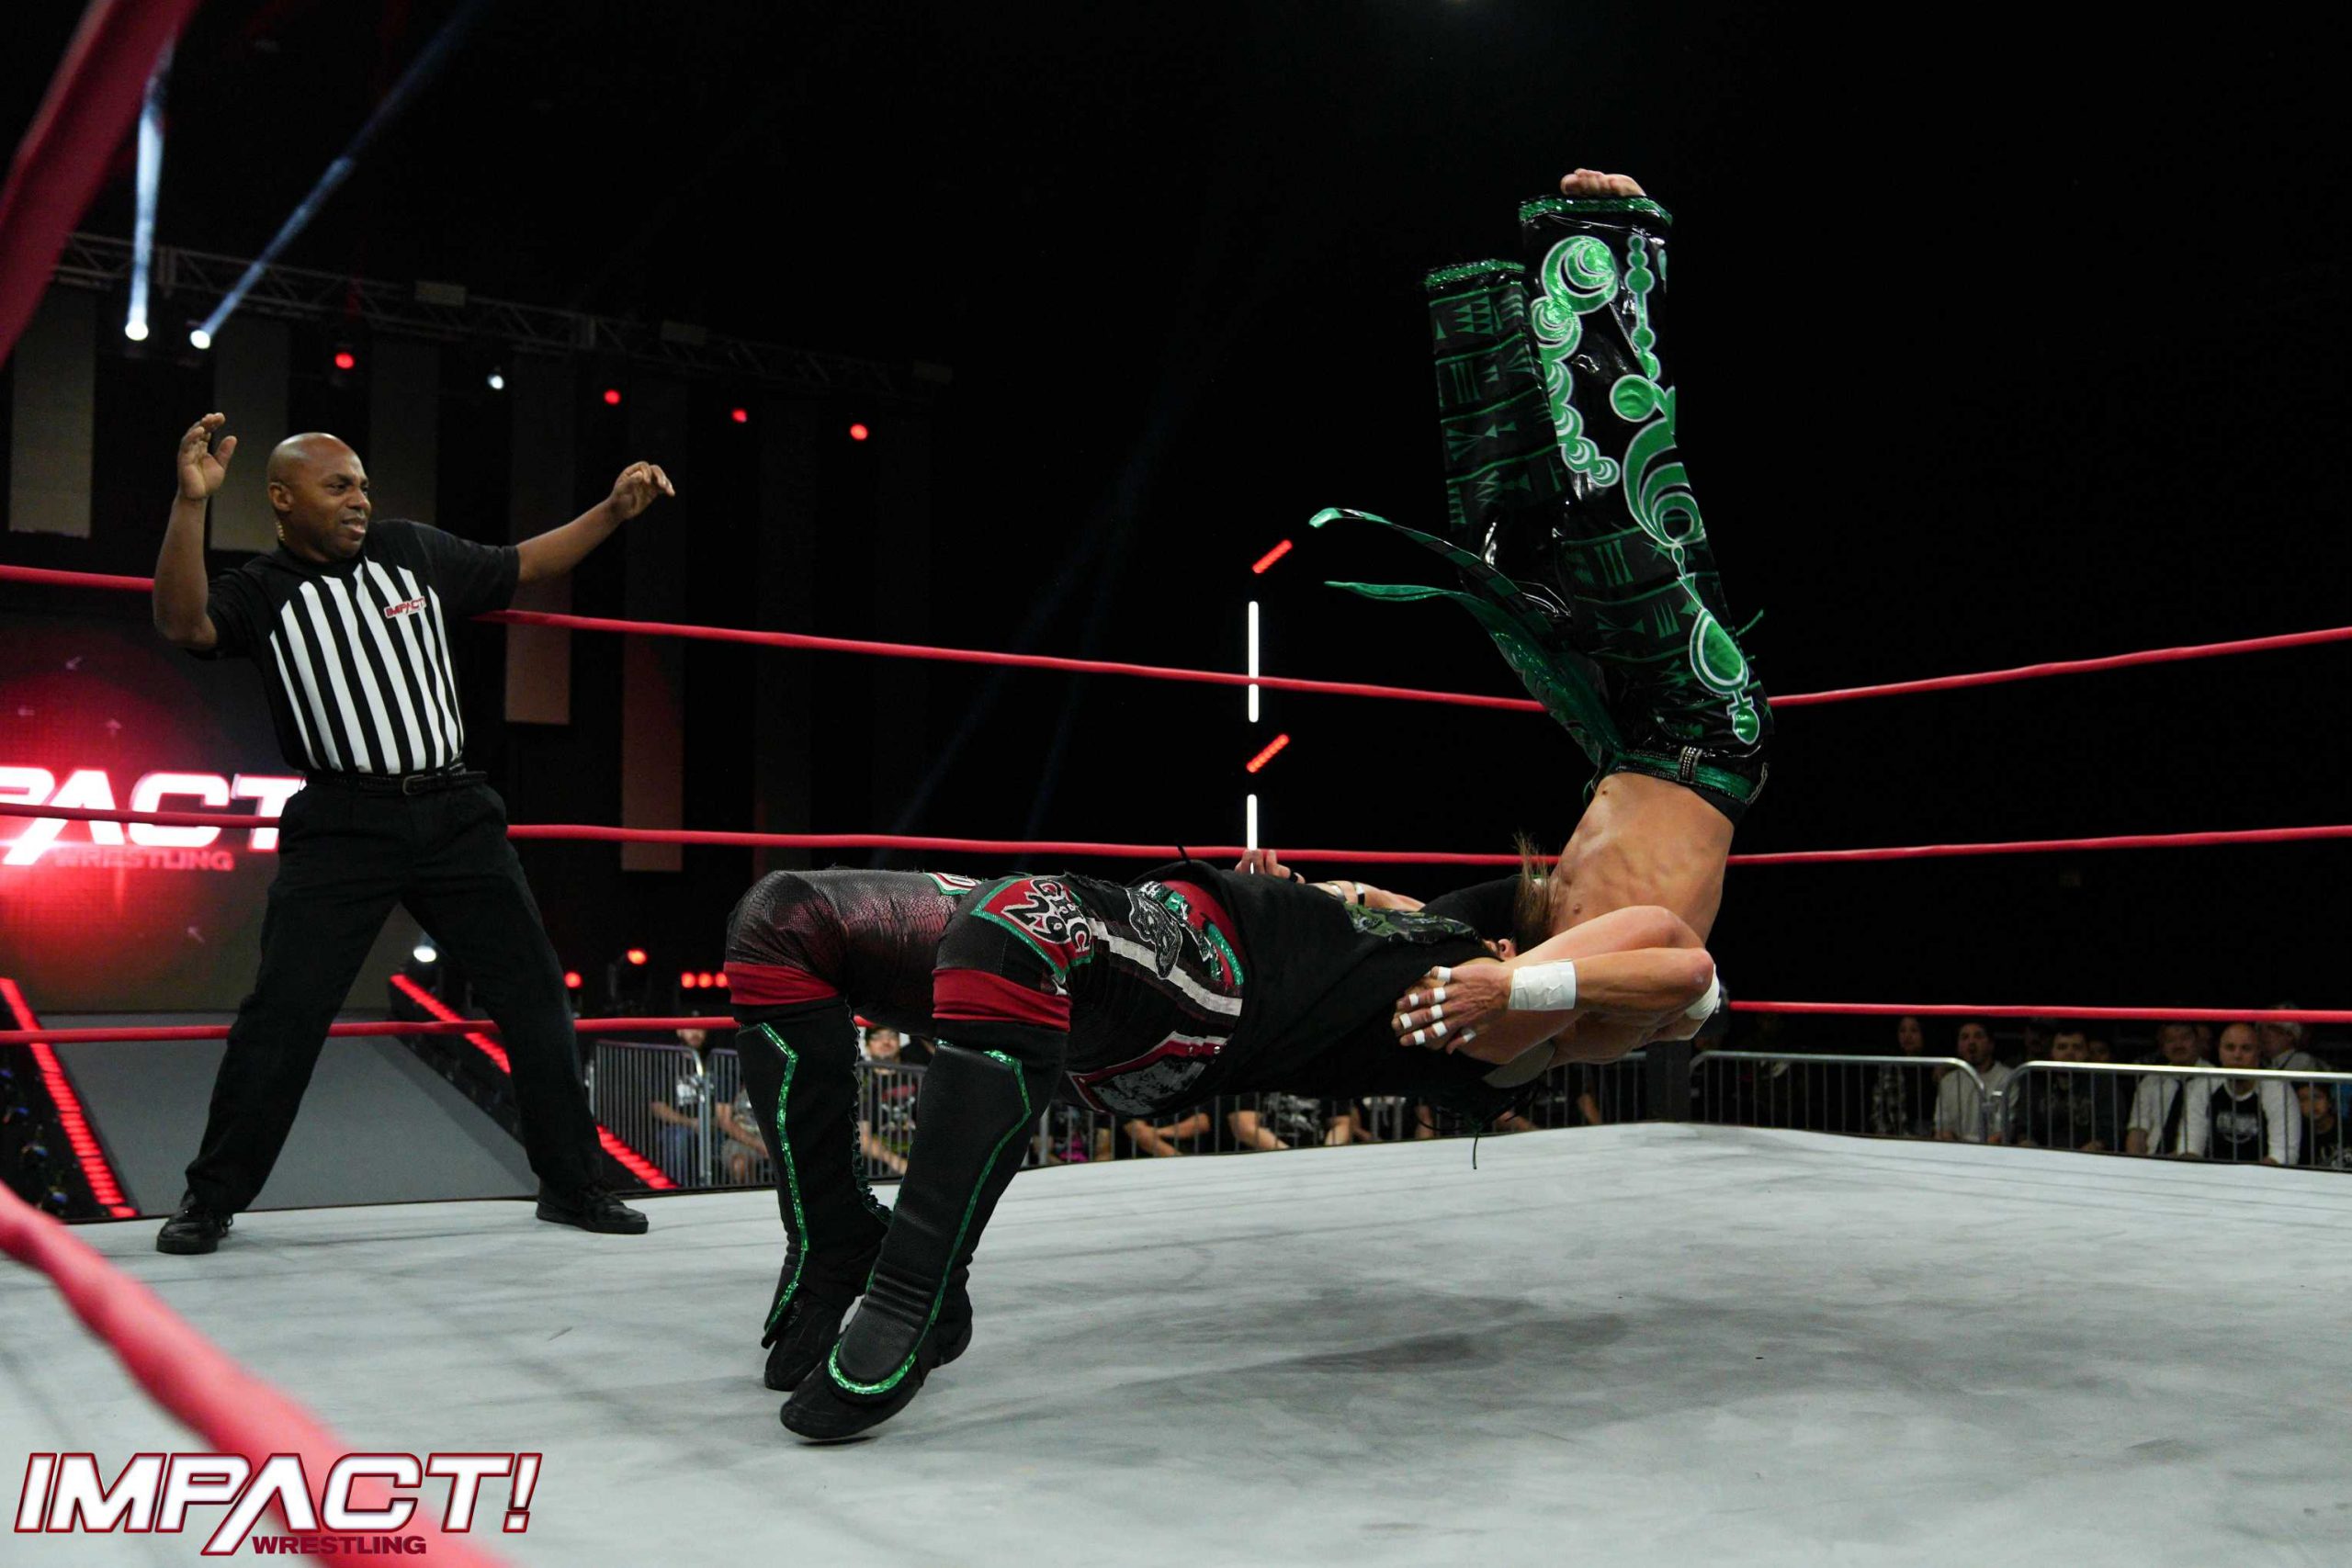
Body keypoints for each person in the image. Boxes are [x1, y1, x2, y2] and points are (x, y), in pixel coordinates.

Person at [780, 863, 1716, 1440]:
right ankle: (832, 1246)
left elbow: (1684, 963)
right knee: (786, 921)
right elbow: (1369, 911)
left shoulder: (1491, 1032)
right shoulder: (1445, 944)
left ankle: (914, 1296)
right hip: (1161, 946)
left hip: (1201, 989)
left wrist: (1515, 987)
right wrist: (1305, 887)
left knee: (1023, 921)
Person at [149, 414, 670, 1251]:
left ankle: (573, 1184)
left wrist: (611, 510)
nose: (360, 498)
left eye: (362, 484)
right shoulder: (262, 587)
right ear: (282, 499)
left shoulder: (409, 550)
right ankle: (211, 1198)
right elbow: (184, 624)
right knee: (283, 1014)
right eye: (338, 486)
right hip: (343, 822)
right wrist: (190, 502)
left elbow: (525, 564)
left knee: (536, 993)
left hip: (456, 812)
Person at [1312, 166, 1767, 1056]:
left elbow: (1405, 917)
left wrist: (1304, 894)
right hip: (1707, 733)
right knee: (1614, 512)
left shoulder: (1516, 968)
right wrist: (1512, 986)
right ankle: (1614, 246)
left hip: (1621, 734)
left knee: (1507, 569)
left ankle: (1493, 323)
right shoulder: (1598, 1021)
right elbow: (1695, 982)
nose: (1482, 970)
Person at [2204, 1021, 2298, 1166]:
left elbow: (2283, 1155)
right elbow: (2190, 1147)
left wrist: (2245, 1176)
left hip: (2261, 1176)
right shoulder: (2204, 1085)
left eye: (2246, 1049)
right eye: (2230, 1048)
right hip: (2212, 1175)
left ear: (2259, 1052)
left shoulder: (2276, 1089)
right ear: (2219, 1052)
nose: (2237, 1055)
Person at [2126, 1023, 2209, 1157]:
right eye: (2170, 1040)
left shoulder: (2215, 1080)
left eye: (2185, 1038)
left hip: (2196, 1161)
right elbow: (2137, 1130)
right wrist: (2135, 1163)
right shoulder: (2151, 1081)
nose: (2178, 1045)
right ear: (2162, 1046)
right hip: (2152, 1161)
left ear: (2198, 1041)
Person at [1932, 1022, 2011, 1145]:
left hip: (1992, 1151)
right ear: (1958, 1046)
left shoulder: (2007, 1078)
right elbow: (1942, 1128)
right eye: (1965, 1037)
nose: (1971, 1042)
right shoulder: (1948, 1081)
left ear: (1991, 1044)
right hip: (1955, 1150)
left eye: (1978, 1036)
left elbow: (2002, 1132)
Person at [1870, 1015, 1936, 1139]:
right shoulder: (1890, 1068)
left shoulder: (1937, 1066)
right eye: (1902, 1030)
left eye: (1914, 1030)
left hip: (1930, 1135)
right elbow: (1878, 1108)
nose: (1907, 1036)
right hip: (1897, 1135)